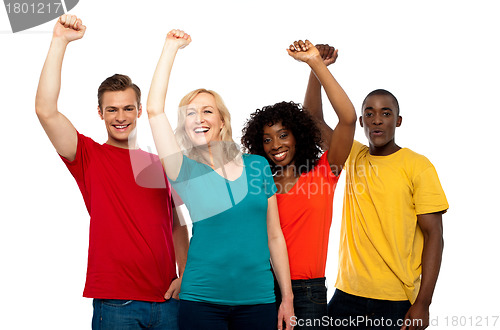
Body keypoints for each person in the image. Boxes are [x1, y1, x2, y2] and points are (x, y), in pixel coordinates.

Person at [35, 15, 189, 330]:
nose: (121, 117)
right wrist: (59, 42)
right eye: (112, 109)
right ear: (100, 113)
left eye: (128, 108)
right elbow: (45, 110)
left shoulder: (158, 163)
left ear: (139, 110)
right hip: (118, 304)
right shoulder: (88, 155)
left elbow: (176, 224)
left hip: (169, 299)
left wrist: (184, 277)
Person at [146, 29, 295, 330]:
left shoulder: (257, 166)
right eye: (190, 113)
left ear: (222, 121)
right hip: (201, 301)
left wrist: (287, 298)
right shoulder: (184, 170)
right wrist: (171, 48)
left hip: (258, 300)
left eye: (207, 111)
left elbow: (274, 235)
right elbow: (153, 110)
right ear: (185, 126)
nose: (198, 118)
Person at [304, 84, 448, 329]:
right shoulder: (353, 155)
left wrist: (423, 303)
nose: (377, 120)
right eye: (369, 114)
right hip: (347, 294)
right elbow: (312, 120)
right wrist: (315, 68)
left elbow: (434, 235)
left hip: (396, 300)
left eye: (386, 113)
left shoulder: (417, 166)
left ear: (398, 120)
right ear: (361, 121)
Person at [241, 42, 356, 329]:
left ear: (299, 136)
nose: (276, 145)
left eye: (283, 135)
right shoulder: (258, 181)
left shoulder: (324, 172)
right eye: (267, 139)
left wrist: (315, 66)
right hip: (260, 289)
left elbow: (347, 118)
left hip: (308, 292)